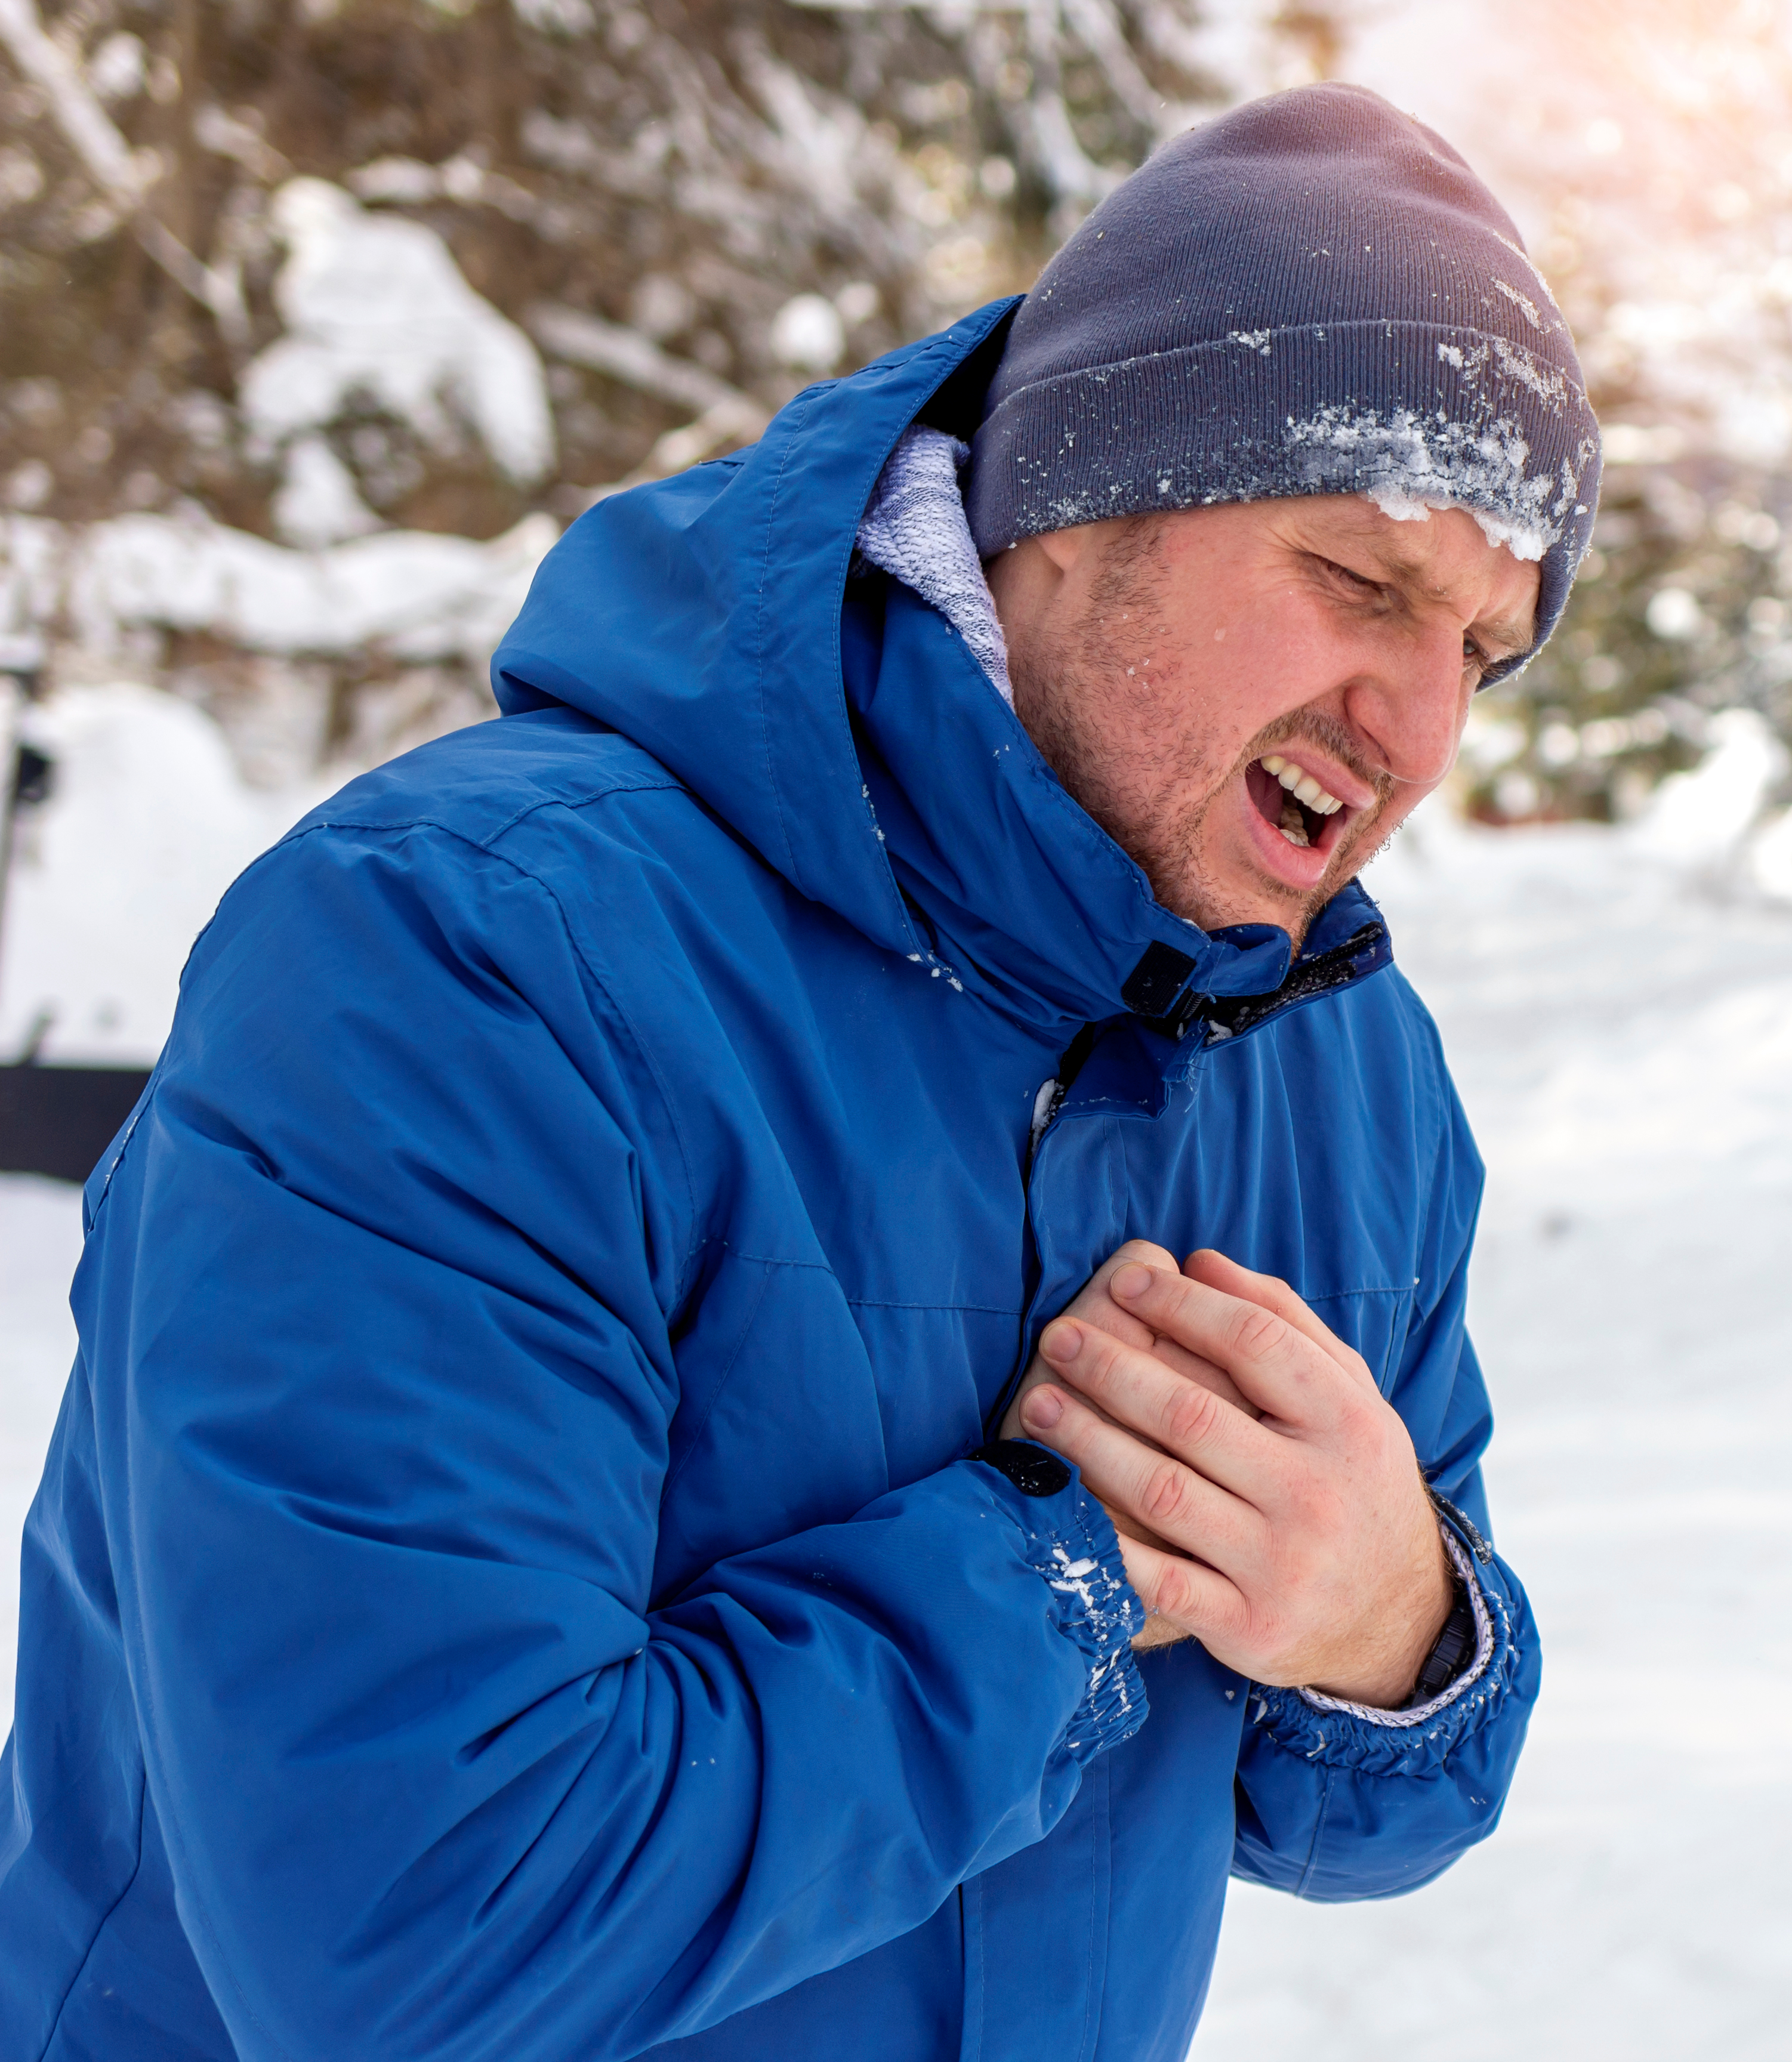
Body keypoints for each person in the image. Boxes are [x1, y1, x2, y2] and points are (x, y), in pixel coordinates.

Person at [0, 83, 1593, 2061]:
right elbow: (413, 1939)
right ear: (1081, 501)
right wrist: (1069, 1577)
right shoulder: (467, 960)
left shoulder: (1338, 1068)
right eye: (1359, 581)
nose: (1420, 722)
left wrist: (1397, 1633)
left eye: (1484, 646)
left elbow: (1364, 1800)